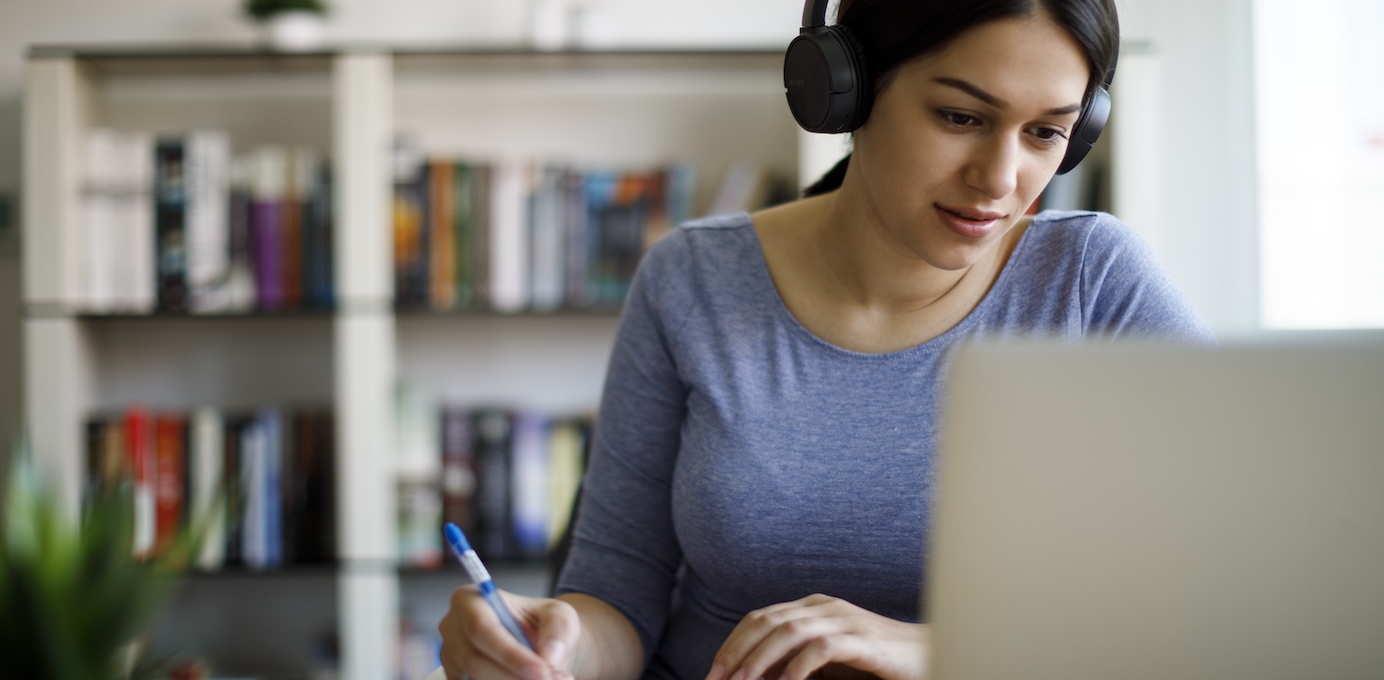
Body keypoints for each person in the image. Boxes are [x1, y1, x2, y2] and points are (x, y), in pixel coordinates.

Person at [438, 0, 1213, 679]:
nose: (999, 179)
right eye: (961, 117)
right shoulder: (691, 279)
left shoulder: (1091, 282)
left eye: (1046, 133)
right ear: (848, 87)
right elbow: (615, 603)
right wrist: (547, 643)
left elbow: (1228, 586)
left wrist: (937, 651)